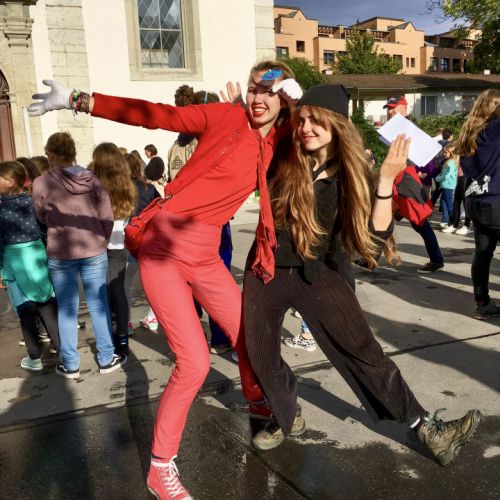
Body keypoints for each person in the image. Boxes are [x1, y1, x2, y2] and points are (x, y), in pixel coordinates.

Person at [28, 60, 302, 499]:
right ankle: (160, 468)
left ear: (284, 98)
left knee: (249, 335)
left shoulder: (280, 139)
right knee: (194, 363)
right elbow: (155, 114)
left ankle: (257, 401)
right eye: (254, 88)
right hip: (164, 248)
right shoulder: (223, 116)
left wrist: (299, 101)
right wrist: (80, 100)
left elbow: (325, 127)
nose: (258, 98)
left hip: (206, 256)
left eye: (271, 92)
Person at [243, 83, 481, 467]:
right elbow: (265, 127)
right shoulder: (286, 157)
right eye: (302, 120)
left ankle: (427, 428)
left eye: (316, 121)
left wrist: (386, 180)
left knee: (364, 353)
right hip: (267, 269)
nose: (306, 128)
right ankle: (284, 414)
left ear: (336, 124)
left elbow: (373, 240)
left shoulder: (354, 176)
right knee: (260, 353)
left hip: (321, 274)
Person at [32, 132, 127, 378]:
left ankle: (71, 363)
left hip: (61, 251)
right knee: (99, 305)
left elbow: (40, 215)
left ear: (50, 154)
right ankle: (106, 358)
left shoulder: (41, 183)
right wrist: (102, 239)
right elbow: (106, 215)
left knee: (66, 308)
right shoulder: (92, 179)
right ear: (73, 152)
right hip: (93, 247)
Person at [0, 160, 60, 370]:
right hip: (38, 257)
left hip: (14, 262)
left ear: (10, 181)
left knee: (25, 312)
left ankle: (34, 357)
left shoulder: (2, 209)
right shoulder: (33, 203)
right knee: (47, 306)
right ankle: (64, 351)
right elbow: (45, 229)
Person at [384, 95, 445, 274]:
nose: (390, 111)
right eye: (389, 108)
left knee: (420, 223)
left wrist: (419, 171)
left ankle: (437, 259)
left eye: (394, 107)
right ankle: (369, 257)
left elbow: (432, 155)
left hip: (407, 182)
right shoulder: (393, 130)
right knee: (382, 218)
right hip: (397, 179)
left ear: (405, 108)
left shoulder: (410, 128)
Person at [456, 88, 500, 320]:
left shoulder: (469, 133)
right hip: (495, 201)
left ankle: (482, 303)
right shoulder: (494, 129)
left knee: (483, 254)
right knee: (483, 254)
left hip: (476, 201)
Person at [91, 143, 137, 354]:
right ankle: (122, 336)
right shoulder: (126, 185)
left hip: (99, 244)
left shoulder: (95, 185)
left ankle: (110, 335)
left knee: (101, 292)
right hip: (119, 242)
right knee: (117, 290)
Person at [124, 152, 159, 334]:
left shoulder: (122, 189)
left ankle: (126, 322)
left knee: (126, 282)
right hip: (150, 238)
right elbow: (161, 207)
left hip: (130, 239)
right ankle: (153, 317)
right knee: (153, 281)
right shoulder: (149, 188)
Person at [435, 143, 458, 226]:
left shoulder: (450, 162)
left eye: (446, 152)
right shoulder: (448, 161)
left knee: (449, 205)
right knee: (444, 203)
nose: (444, 154)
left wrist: (438, 178)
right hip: (445, 186)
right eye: (443, 152)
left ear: (451, 153)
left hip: (448, 186)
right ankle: (445, 221)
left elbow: (447, 175)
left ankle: (452, 223)